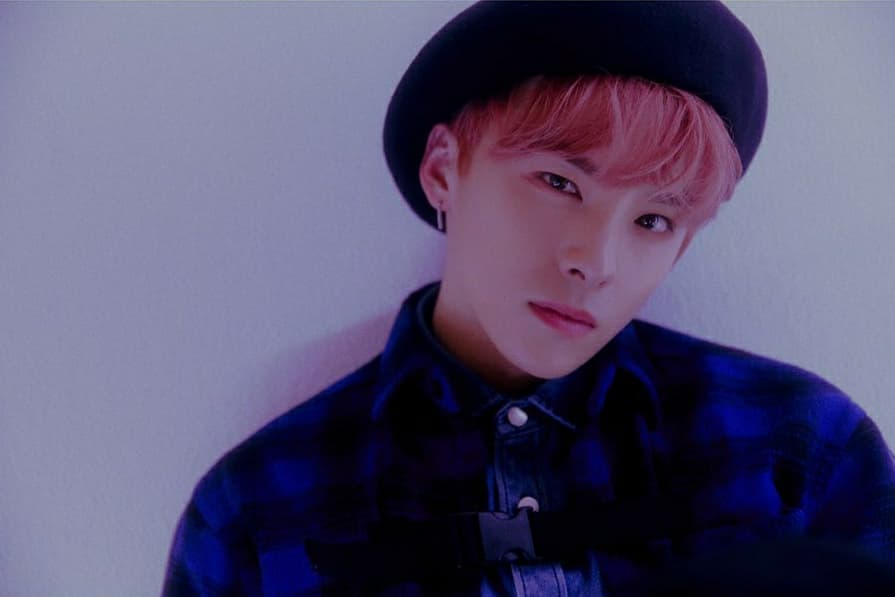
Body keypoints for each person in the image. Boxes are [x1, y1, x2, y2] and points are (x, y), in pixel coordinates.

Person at [161, 2, 895, 595]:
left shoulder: (799, 451)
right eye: (559, 183)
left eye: (653, 220)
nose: (594, 262)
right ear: (443, 168)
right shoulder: (254, 510)